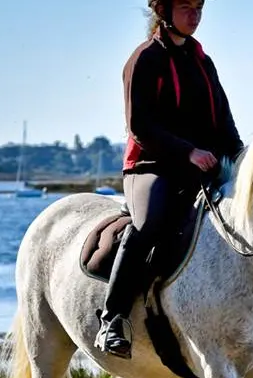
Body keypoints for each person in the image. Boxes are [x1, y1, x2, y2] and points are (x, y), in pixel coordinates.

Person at [95, 0, 243, 358]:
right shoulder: (144, 59)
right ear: (164, 11)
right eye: (186, 6)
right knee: (148, 226)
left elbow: (224, 122)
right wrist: (188, 151)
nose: (195, 15)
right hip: (150, 166)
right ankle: (113, 320)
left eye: (199, 7)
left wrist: (241, 159)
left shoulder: (204, 62)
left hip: (202, 166)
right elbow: (140, 126)